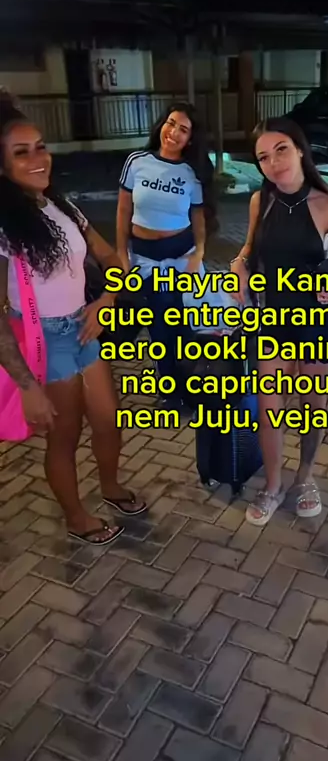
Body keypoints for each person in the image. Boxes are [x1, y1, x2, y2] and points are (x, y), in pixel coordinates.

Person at [0, 88, 146, 546]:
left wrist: (106, 301)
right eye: (21, 152)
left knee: (109, 420)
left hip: (82, 328)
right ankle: (76, 518)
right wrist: (27, 386)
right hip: (44, 341)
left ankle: (110, 487)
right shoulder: (4, 226)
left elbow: (112, 259)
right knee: (64, 436)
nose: (37, 158)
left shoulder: (61, 205)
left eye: (40, 146)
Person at [230, 116, 328, 526]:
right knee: (270, 409)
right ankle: (274, 484)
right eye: (263, 157)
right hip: (273, 321)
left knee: (312, 409)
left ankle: (305, 478)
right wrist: (240, 263)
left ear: (299, 150)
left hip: (318, 325)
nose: (273, 163)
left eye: (281, 150)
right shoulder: (261, 201)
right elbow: (250, 247)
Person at [116, 102, 215, 411]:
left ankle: (194, 388)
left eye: (183, 129)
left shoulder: (191, 172)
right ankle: (170, 391)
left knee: (187, 326)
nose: (173, 132)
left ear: (190, 139)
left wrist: (199, 253)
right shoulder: (137, 161)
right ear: (162, 124)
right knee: (159, 328)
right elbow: (123, 210)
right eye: (171, 123)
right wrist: (121, 254)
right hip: (145, 260)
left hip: (181, 256)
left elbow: (198, 217)